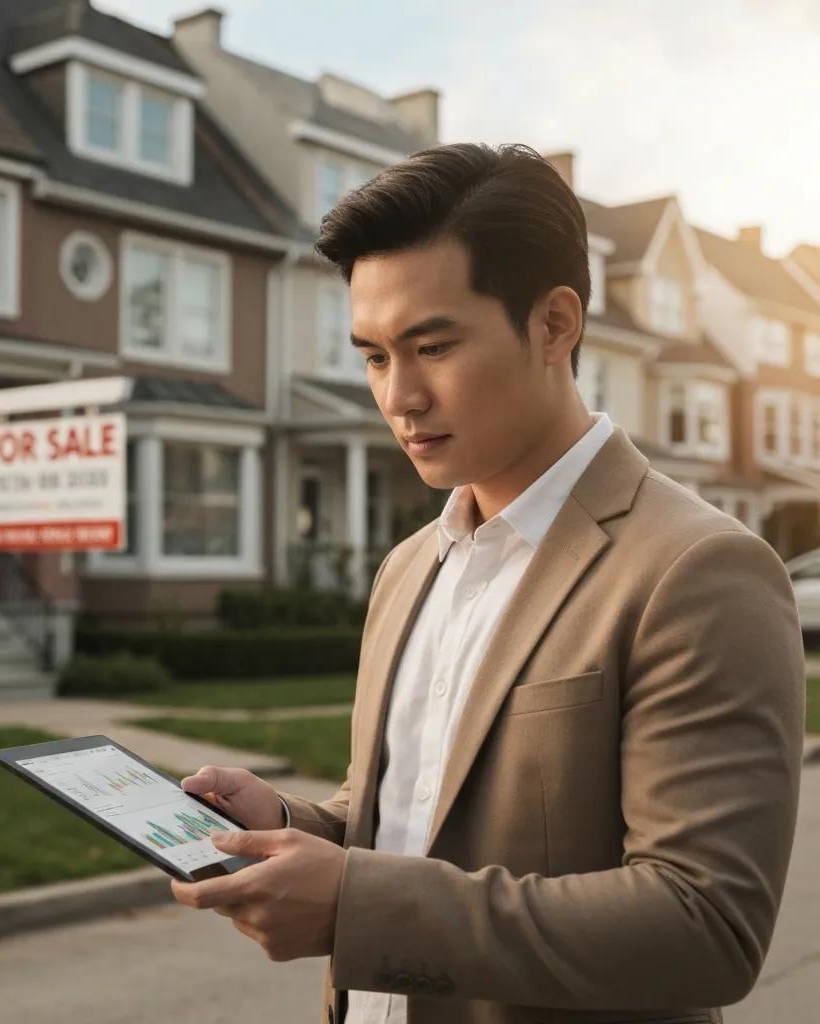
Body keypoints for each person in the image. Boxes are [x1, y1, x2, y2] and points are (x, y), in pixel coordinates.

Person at [169, 142, 805, 1024]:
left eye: (432, 346)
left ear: (555, 325)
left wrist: (356, 903)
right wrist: (288, 823)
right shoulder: (408, 566)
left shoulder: (698, 571)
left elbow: (704, 927)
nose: (400, 397)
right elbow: (411, 812)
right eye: (374, 356)